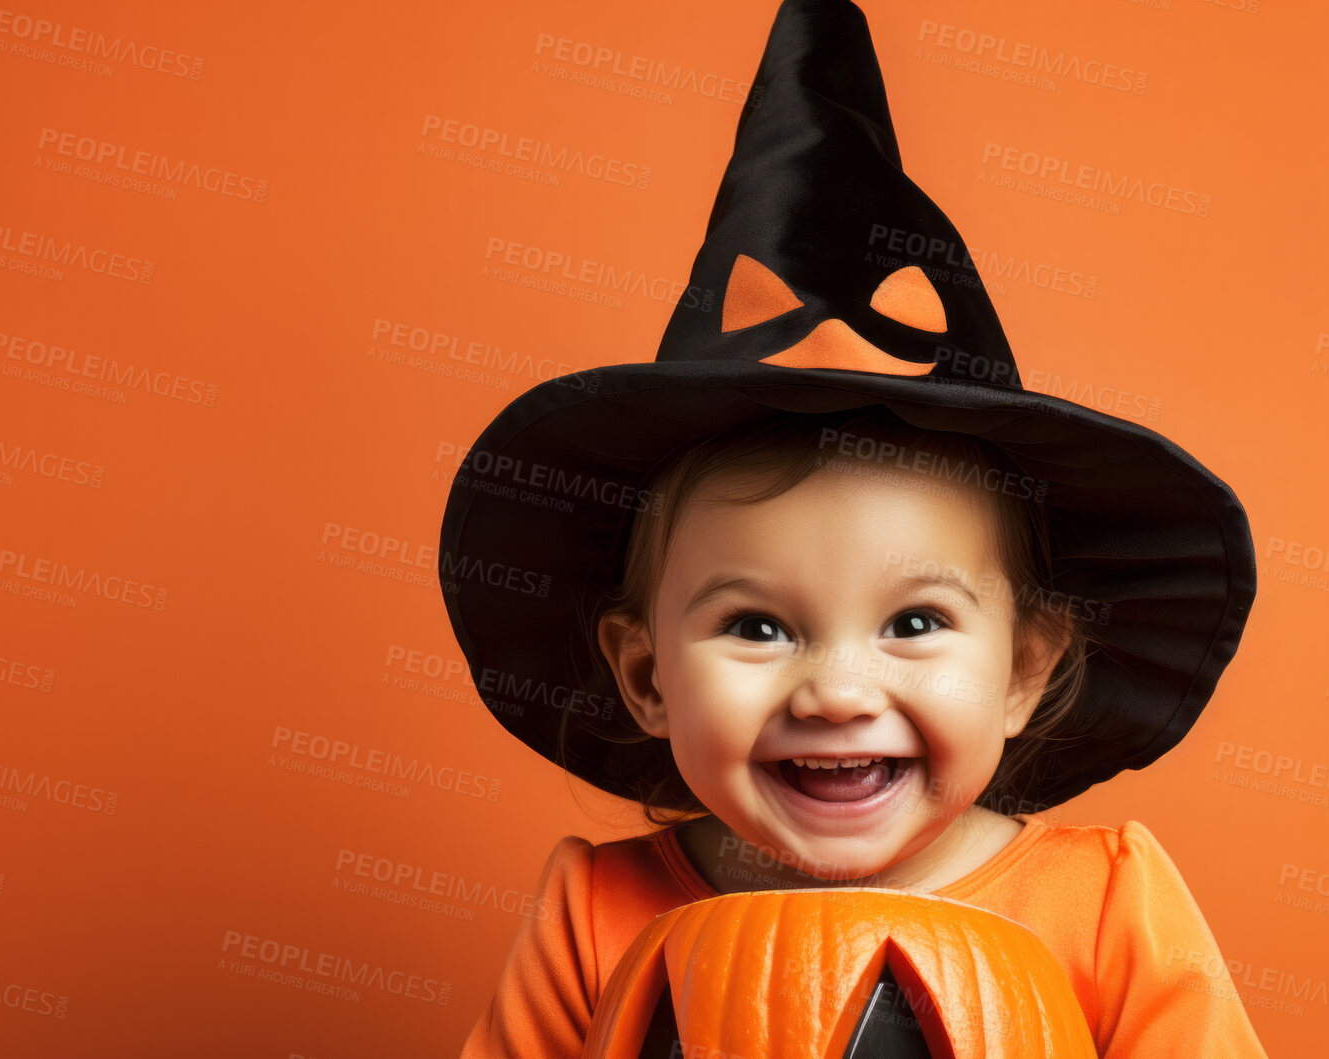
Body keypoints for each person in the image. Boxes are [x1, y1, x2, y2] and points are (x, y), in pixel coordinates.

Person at [436, 2, 1266, 1056]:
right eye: (756, 627)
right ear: (644, 677)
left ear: (1021, 669)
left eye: (913, 622)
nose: (833, 691)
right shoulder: (594, 914)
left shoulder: (1108, 905)